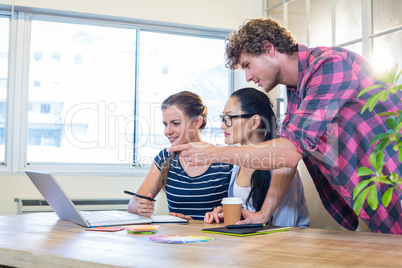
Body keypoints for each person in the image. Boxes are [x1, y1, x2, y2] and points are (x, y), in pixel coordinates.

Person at [168, 18, 402, 234]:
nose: (248, 77)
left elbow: (288, 153)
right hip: (380, 190)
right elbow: (288, 160)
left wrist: (215, 153)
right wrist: (262, 214)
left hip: (395, 179)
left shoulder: (330, 65)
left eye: (248, 64)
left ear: (269, 49)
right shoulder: (297, 93)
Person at [204, 87, 310, 227]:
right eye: (223, 118)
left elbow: (287, 227)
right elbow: (247, 214)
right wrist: (224, 213)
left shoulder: (282, 164)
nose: (223, 126)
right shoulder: (238, 164)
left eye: (229, 118)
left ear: (254, 122)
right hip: (248, 243)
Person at [128, 91, 232, 220]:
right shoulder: (165, 158)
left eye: (175, 123)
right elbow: (133, 204)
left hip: (214, 237)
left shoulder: (225, 159)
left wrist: (199, 222)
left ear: (197, 122)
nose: (167, 131)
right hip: (177, 236)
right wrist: (140, 207)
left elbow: (242, 210)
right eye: (165, 124)